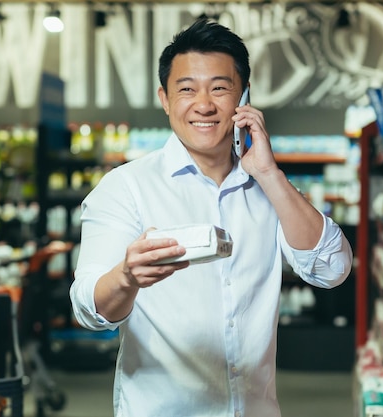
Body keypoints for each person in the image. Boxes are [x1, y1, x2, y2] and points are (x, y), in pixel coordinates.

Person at [70, 18, 353, 417]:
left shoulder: (269, 189)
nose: (203, 105)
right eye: (186, 89)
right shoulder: (125, 188)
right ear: (165, 99)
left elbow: (332, 269)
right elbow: (88, 310)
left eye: (220, 88)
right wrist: (126, 277)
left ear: (244, 97)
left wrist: (270, 175)